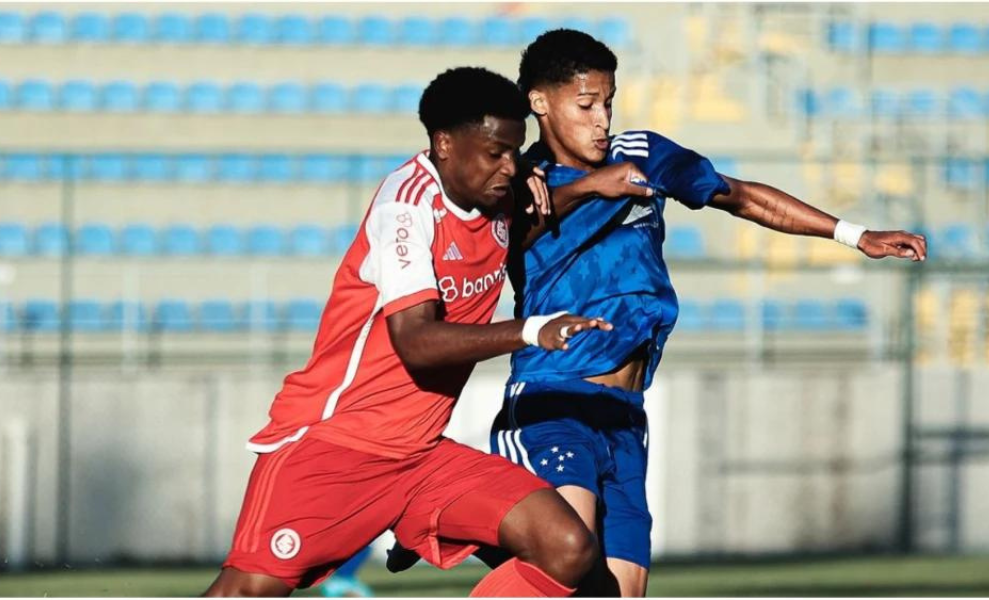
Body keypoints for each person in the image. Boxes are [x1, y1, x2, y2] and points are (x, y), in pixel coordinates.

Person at [389, 29, 928, 596]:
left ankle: (463, 521)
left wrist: (855, 234)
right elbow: (508, 235)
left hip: (625, 412)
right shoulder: (520, 181)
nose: (602, 119)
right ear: (540, 103)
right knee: (563, 557)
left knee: (618, 591)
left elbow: (738, 196)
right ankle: (450, 514)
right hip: (554, 398)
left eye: (609, 102)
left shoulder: (644, 155)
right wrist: (595, 187)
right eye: (586, 104)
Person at [203, 66, 615, 598]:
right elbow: (418, 344)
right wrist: (533, 331)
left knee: (569, 549)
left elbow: (516, 229)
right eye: (496, 153)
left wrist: (589, 186)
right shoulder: (407, 207)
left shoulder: (495, 199)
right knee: (244, 592)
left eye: (516, 152)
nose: (511, 167)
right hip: (335, 448)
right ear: (445, 144)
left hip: (420, 457)